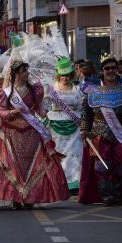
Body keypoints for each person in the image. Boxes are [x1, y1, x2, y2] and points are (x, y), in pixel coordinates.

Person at [0, 59, 69, 208]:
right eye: (24, 71)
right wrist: (13, 111)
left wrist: (45, 113)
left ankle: (29, 198)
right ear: (16, 74)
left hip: (31, 132)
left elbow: (38, 110)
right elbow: (1, 112)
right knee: (13, 166)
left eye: (27, 71)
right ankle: (16, 198)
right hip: (10, 132)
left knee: (31, 166)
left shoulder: (35, 90)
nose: (27, 74)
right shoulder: (5, 93)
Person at [79, 58, 122, 205]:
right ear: (102, 70)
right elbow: (86, 111)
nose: (110, 71)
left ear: (118, 68)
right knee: (102, 167)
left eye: (113, 68)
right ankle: (107, 196)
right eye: (107, 68)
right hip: (99, 132)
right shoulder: (92, 88)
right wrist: (84, 128)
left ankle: (119, 194)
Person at [45, 58, 83, 192]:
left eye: (67, 75)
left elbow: (80, 107)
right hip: (56, 126)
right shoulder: (51, 89)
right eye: (62, 74)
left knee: (75, 155)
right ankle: (59, 183)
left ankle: (74, 183)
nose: (65, 77)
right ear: (58, 74)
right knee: (59, 154)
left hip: (74, 125)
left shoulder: (77, 89)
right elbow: (44, 106)